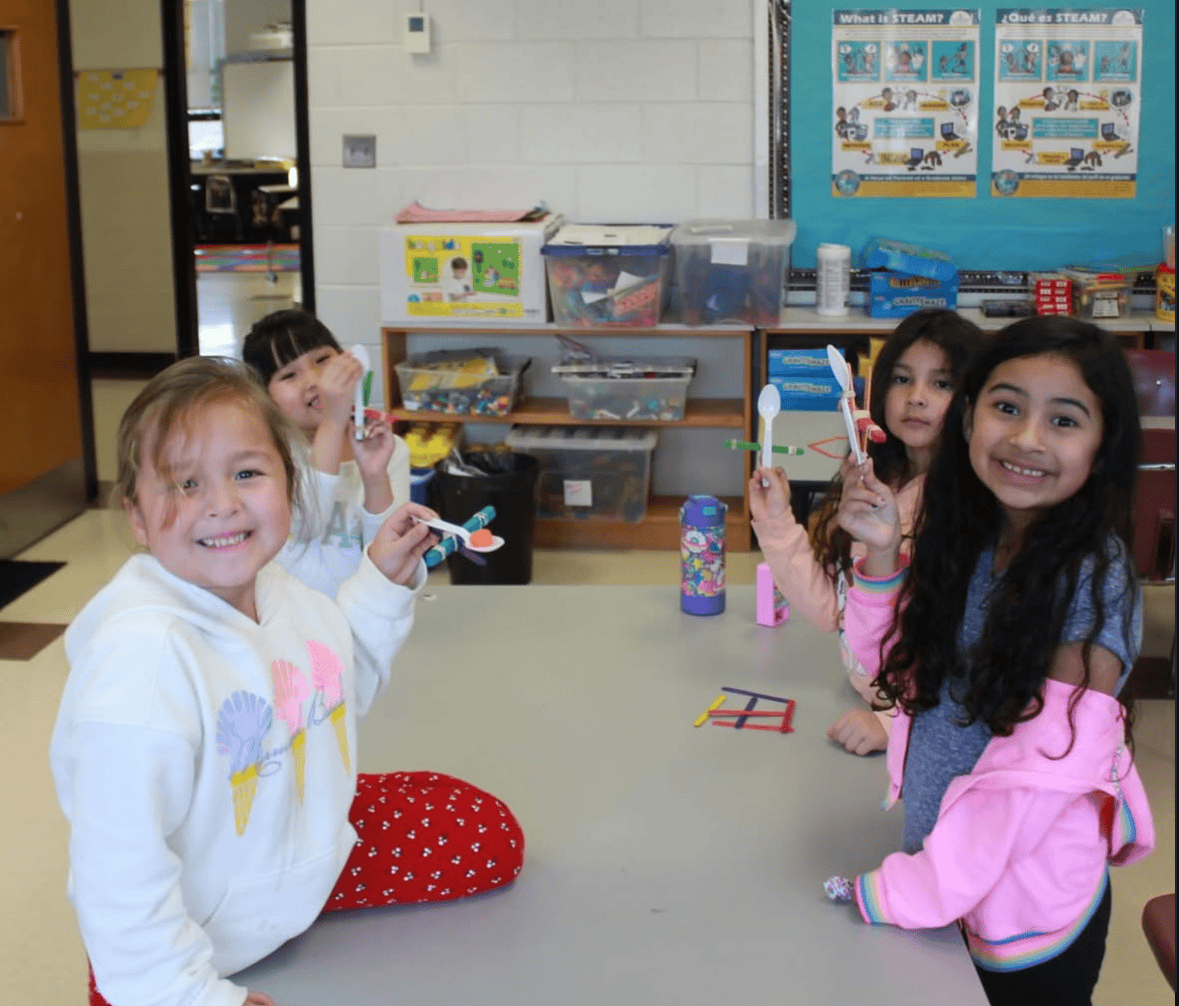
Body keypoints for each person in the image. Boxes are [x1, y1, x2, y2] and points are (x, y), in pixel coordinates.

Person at [50, 357, 525, 1006]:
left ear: (289, 480)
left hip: (289, 856)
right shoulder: (141, 661)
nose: (221, 504)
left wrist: (379, 582)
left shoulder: (282, 592)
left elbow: (331, 691)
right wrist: (193, 996)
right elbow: (116, 873)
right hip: (182, 942)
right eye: (184, 484)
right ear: (136, 516)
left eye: (246, 473)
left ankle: (292, 880)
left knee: (483, 834)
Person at [834, 317, 1153, 1004]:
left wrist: (907, 888)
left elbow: (1034, 781)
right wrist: (883, 556)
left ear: (1101, 449)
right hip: (944, 869)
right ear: (969, 416)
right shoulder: (967, 534)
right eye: (1006, 407)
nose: (1026, 439)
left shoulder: (1093, 581)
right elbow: (886, 667)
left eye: (1063, 420)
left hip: (1023, 913)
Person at [749, 309, 982, 756]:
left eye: (942, 383)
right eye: (901, 379)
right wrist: (777, 522)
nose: (916, 397)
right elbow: (831, 610)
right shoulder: (875, 479)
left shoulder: (971, 508)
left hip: (924, 729)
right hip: (871, 699)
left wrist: (897, 725)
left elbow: (966, 653)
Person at [243, 309, 411, 598]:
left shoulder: (388, 450)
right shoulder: (267, 458)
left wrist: (374, 476)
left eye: (322, 360)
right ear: (264, 398)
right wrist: (334, 420)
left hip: (365, 614)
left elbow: (391, 556)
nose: (314, 380)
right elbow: (306, 524)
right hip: (293, 618)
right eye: (289, 375)